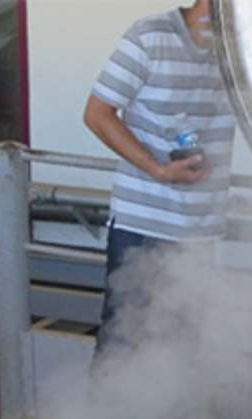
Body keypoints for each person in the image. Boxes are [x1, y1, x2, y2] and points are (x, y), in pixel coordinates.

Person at [83, 0, 235, 350]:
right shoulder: (149, 36)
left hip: (201, 231)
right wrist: (159, 170)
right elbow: (97, 114)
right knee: (123, 344)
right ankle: (107, 407)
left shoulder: (239, 55)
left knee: (183, 349)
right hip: (142, 228)